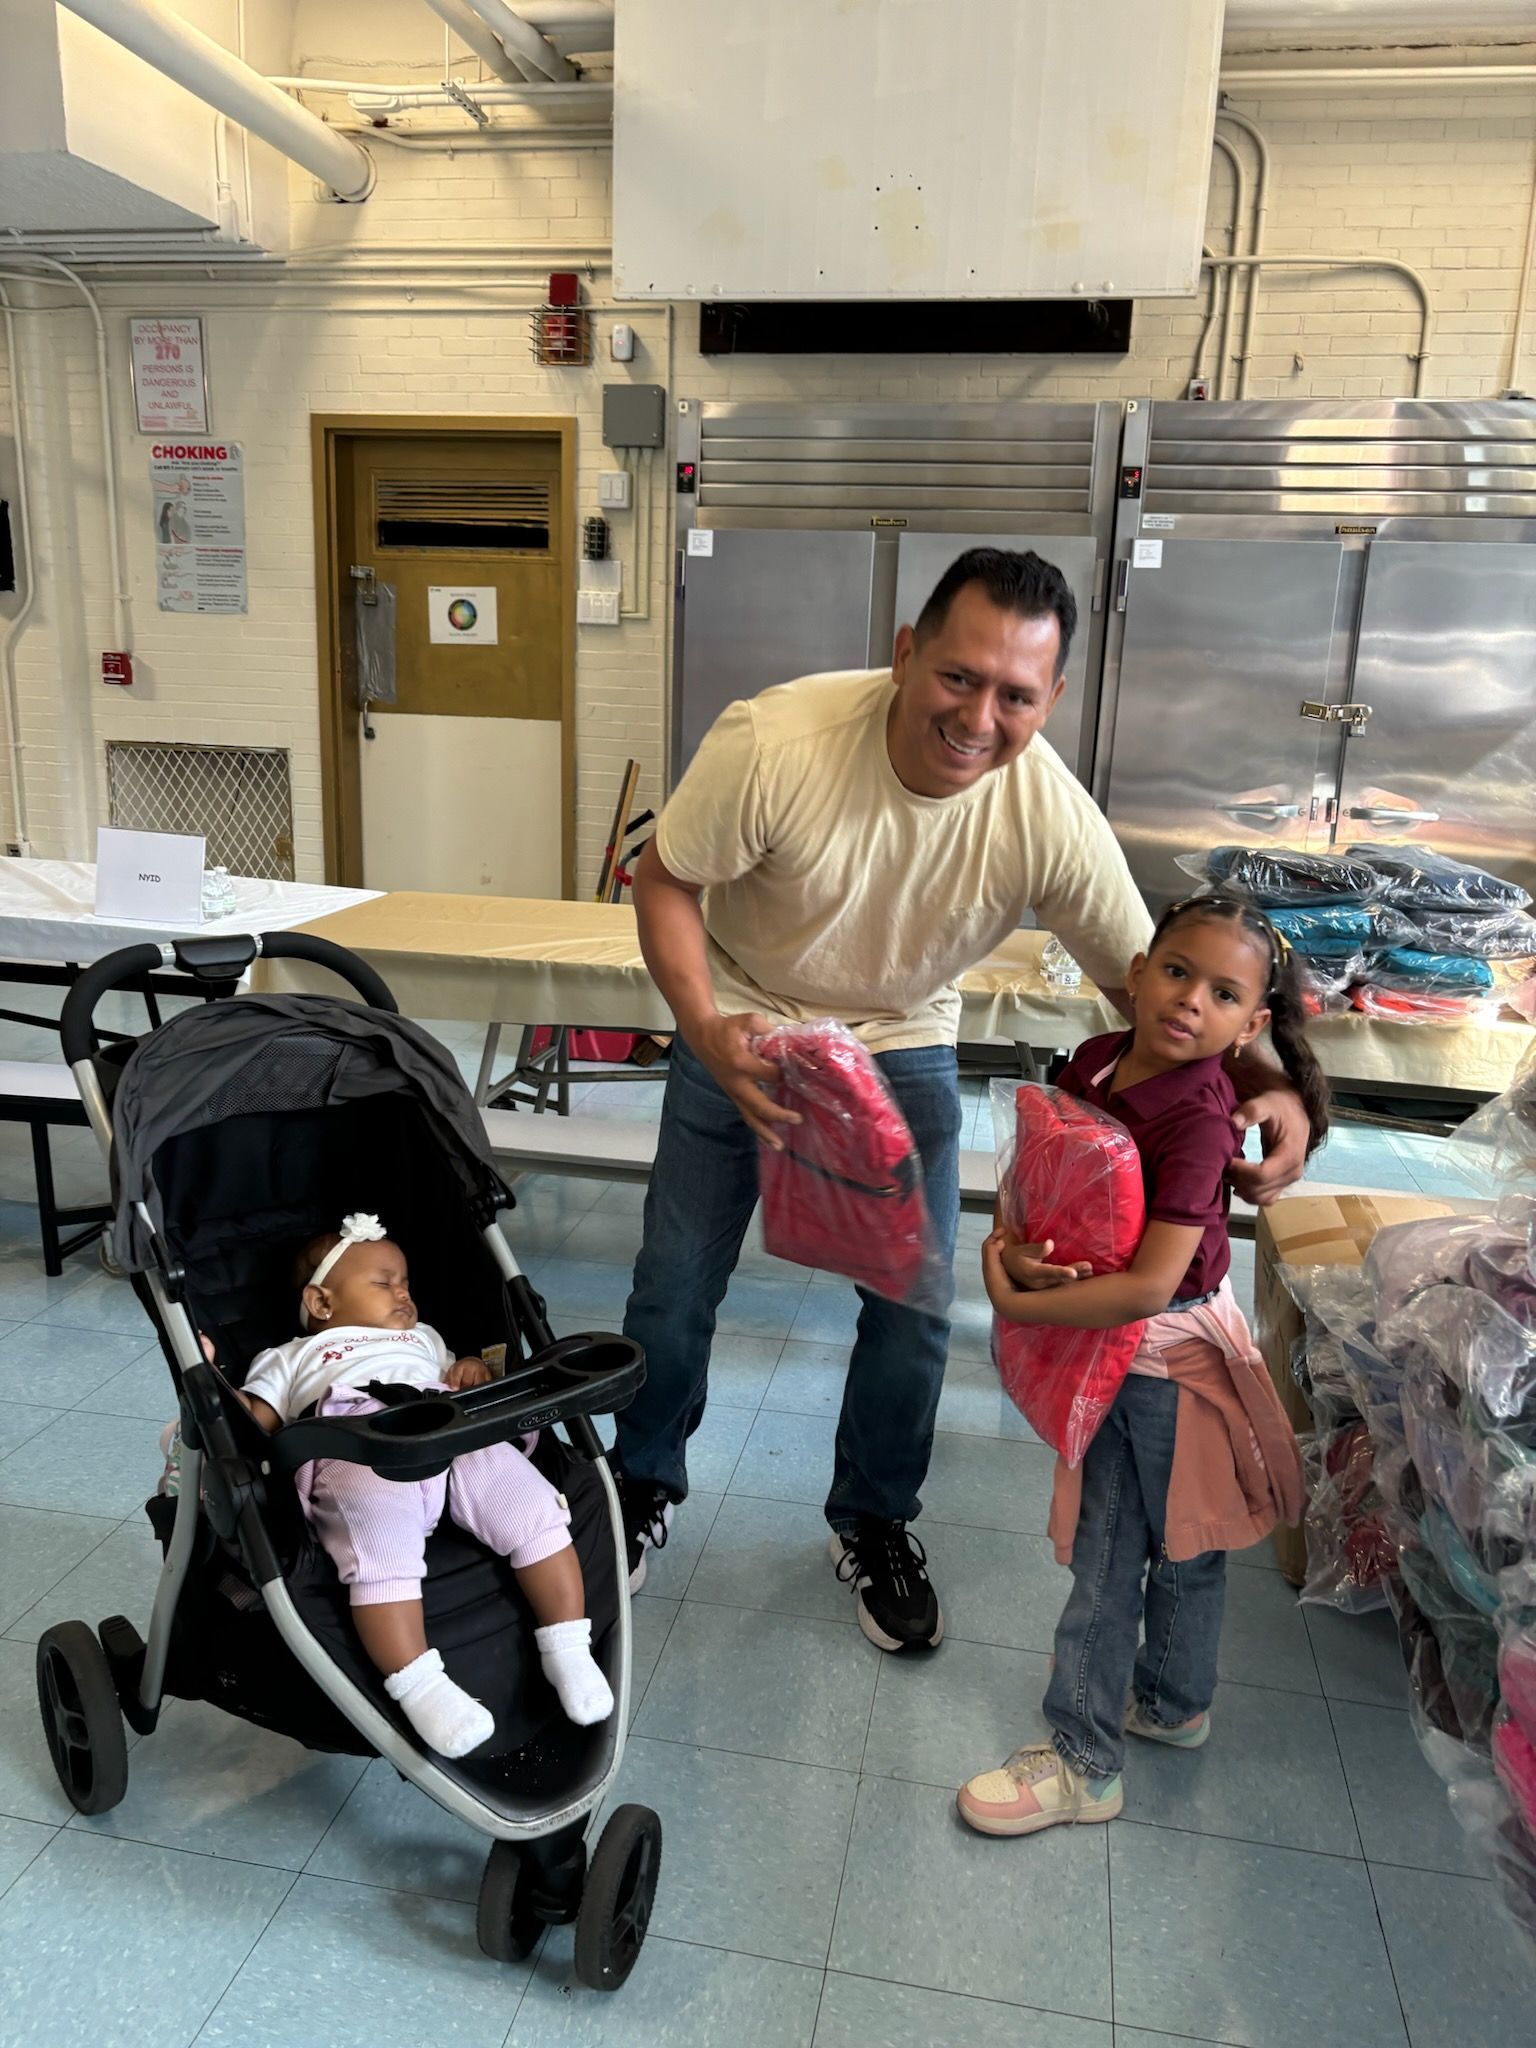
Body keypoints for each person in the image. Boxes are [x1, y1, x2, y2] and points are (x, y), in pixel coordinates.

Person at [614, 548, 1312, 1654]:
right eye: (957, 676)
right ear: (905, 653)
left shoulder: (1045, 812)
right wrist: (702, 1024)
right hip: (747, 1018)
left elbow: (1166, 986)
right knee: (673, 1279)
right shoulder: (777, 741)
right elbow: (666, 877)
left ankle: (876, 1516)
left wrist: (1283, 1093)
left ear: (1052, 699)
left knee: (916, 1303)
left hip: (901, 1033)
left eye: (1016, 694)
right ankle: (639, 1486)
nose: (979, 715)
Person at [956, 893, 1324, 1836]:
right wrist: (1019, 1249)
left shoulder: (1200, 1122)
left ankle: (1084, 1761)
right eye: (1176, 971)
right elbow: (1048, 1179)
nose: (1191, 1000)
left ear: (1252, 1026)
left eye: (1223, 993)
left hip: (1156, 1362)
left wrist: (1010, 1298)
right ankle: (1171, 1703)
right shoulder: (1092, 1060)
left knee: (1113, 1553)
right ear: (1136, 969)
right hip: (1125, 1341)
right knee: (1183, 1538)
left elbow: (1148, 1287)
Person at [230, 1213, 613, 1758]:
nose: (403, 1293)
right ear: (321, 1304)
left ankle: (568, 1647)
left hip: (450, 1428)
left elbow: (463, 1368)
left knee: (532, 1509)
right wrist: (214, 1384)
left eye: (406, 1282)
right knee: (381, 1553)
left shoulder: (423, 1339)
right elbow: (254, 1422)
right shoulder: (294, 1357)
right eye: (383, 1283)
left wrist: (470, 1370)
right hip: (359, 1447)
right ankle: (420, 1686)